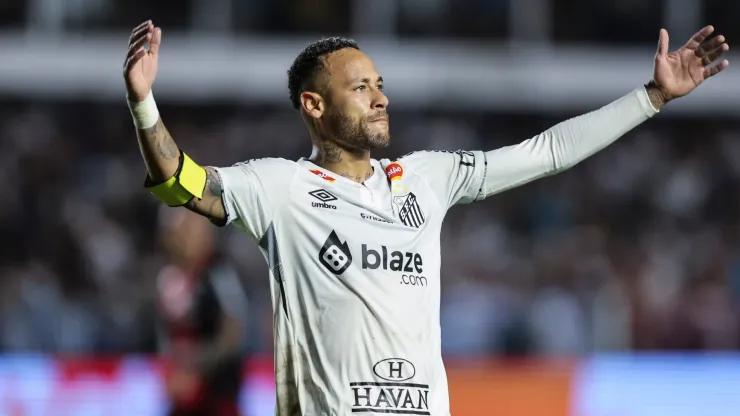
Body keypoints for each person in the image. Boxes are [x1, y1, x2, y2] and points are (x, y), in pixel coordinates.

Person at [123, 20, 729, 415]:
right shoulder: (278, 187)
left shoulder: (425, 178)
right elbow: (181, 182)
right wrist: (143, 101)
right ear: (314, 104)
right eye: (360, 87)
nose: (382, 97)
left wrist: (650, 98)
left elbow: (546, 153)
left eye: (380, 84)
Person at [153, 208, 248, 416]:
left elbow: (232, 331)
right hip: (184, 393)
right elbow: (166, 334)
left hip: (216, 391)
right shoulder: (168, 276)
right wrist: (173, 371)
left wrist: (196, 367)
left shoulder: (218, 272)